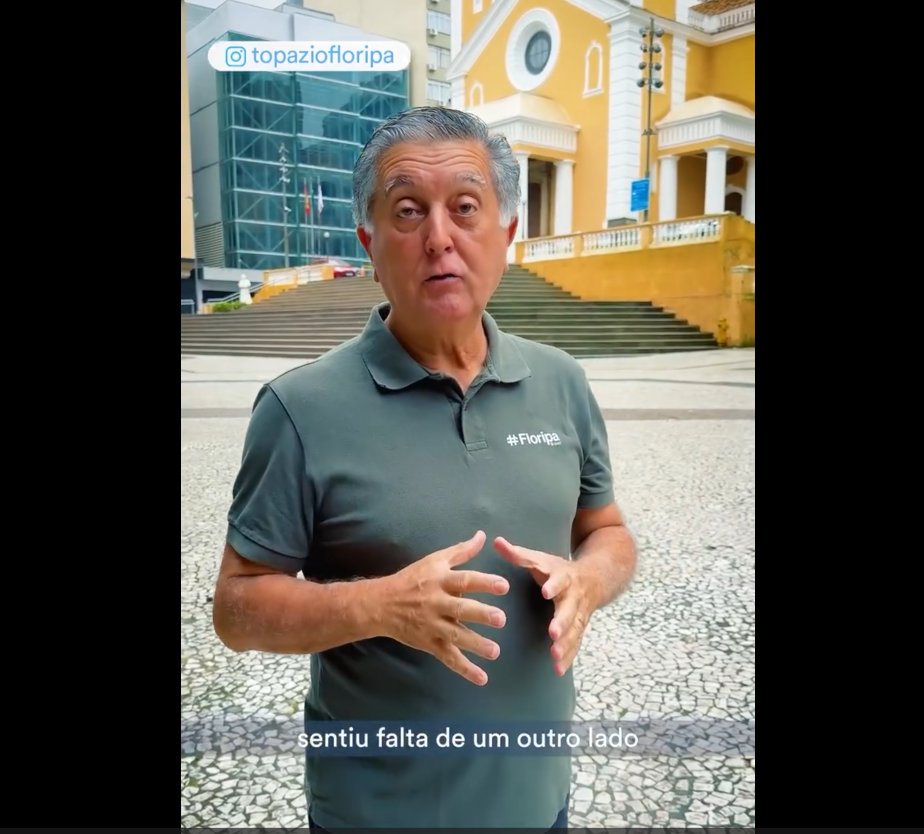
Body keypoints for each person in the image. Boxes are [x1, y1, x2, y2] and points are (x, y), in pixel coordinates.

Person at [212, 106, 637, 830]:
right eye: (408, 211)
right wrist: (379, 606)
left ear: (506, 232)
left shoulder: (562, 382)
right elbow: (236, 607)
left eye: (465, 207)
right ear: (369, 243)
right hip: (374, 813)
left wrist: (590, 580)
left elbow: (608, 531)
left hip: (538, 804)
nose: (439, 237)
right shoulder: (299, 409)